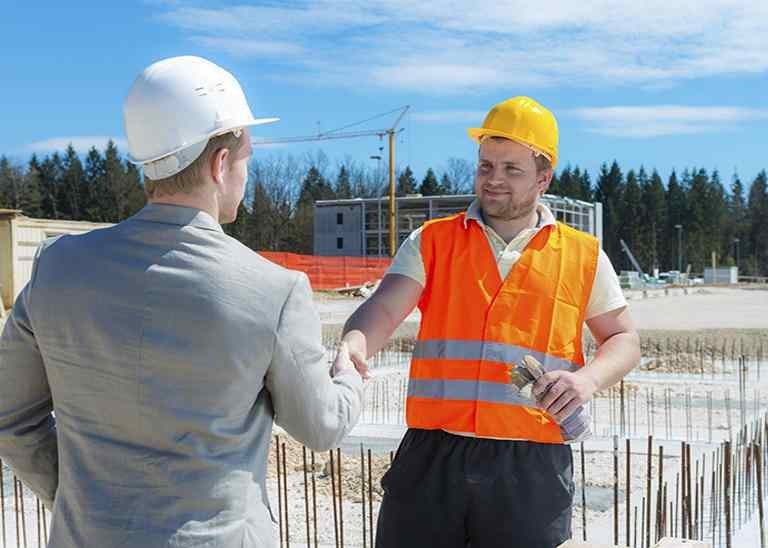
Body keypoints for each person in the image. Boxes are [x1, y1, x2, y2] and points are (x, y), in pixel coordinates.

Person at [0, 56, 363, 548]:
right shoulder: (273, 290)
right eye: (246, 158)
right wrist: (349, 374)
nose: (246, 175)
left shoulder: (56, 267)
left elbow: (10, 416)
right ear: (219, 164)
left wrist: (74, 495)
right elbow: (322, 426)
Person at [341, 96, 641, 548]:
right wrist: (355, 343)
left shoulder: (583, 255)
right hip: (434, 454)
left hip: (531, 464)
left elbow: (623, 339)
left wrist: (587, 381)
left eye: (511, 169)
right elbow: (383, 308)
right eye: (486, 166)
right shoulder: (432, 241)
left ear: (544, 177)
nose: (493, 180)